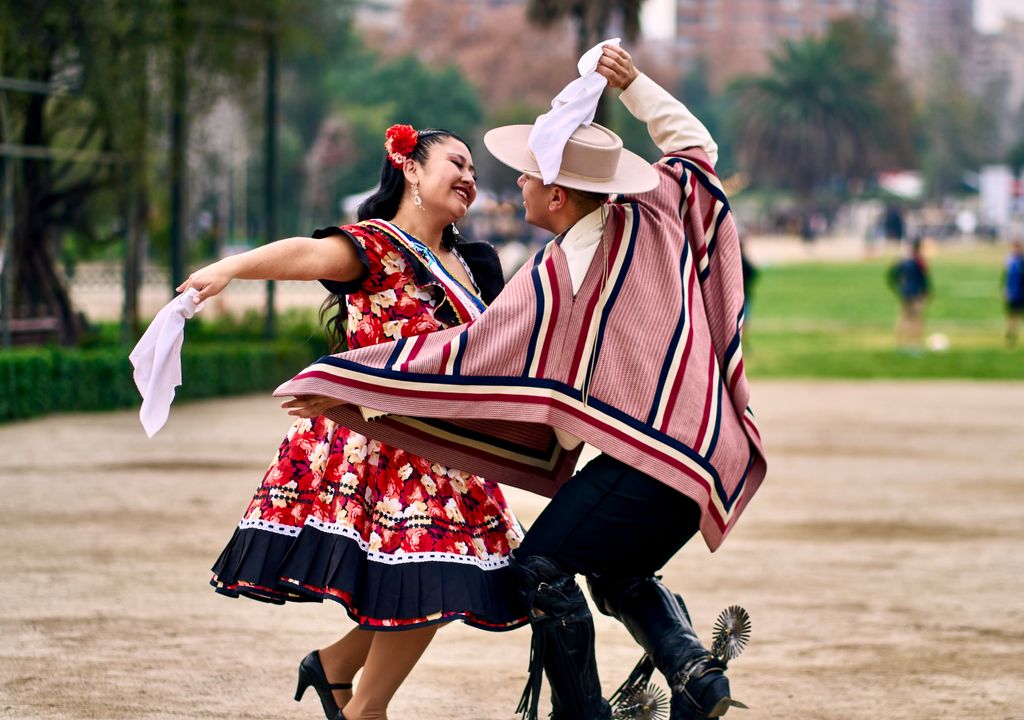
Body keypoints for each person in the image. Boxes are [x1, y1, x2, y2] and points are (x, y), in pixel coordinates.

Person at [278, 44, 766, 720]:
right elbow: (694, 144)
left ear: (558, 195)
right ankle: (695, 676)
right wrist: (636, 87)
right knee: (615, 570)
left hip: (660, 458)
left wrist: (348, 383)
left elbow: (467, 355)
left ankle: (584, 715)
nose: (516, 189)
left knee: (539, 569)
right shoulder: (656, 204)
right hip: (710, 451)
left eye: (527, 179)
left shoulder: (554, 275)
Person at [177, 125, 527, 720]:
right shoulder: (372, 247)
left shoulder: (477, 262)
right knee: (432, 579)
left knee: (437, 581)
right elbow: (303, 254)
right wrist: (230, 268)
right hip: (384, 444)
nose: (469, 178)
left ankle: (337, 668)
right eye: (456, 163)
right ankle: (366, 707)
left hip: (448, 447)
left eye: (473, 169)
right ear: (411, 169)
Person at [887, 239, 930, 351]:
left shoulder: (903, 261)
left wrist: (897, 287)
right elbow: (924, 279)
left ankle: (899, 344)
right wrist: (926, 292)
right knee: (916, 318)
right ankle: (915, 344)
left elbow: (892, 275)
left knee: (903, 318)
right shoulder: (920, 261)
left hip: (904, 292)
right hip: (916, 293)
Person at [1004, 241, 1024, 347]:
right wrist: (1006, 290)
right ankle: (1011, 334)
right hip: (1014, 293)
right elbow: (1007, 278)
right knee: (1012, 315)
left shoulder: (1021, 261)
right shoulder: (1011, 262)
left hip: (1021, 293)